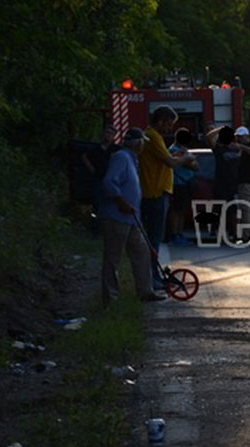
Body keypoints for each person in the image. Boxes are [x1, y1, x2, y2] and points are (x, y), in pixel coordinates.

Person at [98, 128, 166, 305]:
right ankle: (110, 299)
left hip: (131, 218)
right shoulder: (121, 157)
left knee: (142, 252)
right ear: (138, 144)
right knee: (113, 258)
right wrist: (120, 200)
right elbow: (109, 182)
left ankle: (146, 291)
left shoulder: (132, 159)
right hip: (116, 216)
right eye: (142, 142)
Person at [139, 106, 194, 288]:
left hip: (158, 193)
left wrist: (174, 154)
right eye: (169, 124)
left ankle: (153, 277)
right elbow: (169, 163)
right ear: (161, 121)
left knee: (154, 239)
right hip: (154, 194)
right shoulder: (153, 136)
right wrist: (185, 159)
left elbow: (165, 156)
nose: (170, 129)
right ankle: (152, 280)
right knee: (153, 240)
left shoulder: (155, 137)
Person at [206, 125, 241, 243]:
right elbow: (209, 137)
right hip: (220, 184)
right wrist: (222, 128)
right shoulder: (219, 149)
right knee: (217, 209)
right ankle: (214, 230)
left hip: (233, 185)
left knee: (233, 210)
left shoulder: (237, 149)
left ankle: (235, 234)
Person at [81, 125, 120, 231]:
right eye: (107, 133)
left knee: (112, 204)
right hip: (98, 179)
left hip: (112, 181)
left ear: (114, 136)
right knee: (97, 204)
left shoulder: (115, 149)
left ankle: (109, 228)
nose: (108, 136)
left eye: (111, 134)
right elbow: (84, 156)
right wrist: (91, 168)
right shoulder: (95, 149)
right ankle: (95, 227)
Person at [168, 127, 199, 246]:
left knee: (182, 211)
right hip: (178, 184)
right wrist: (188, 157)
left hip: (185, 185)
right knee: (176, 210)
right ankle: (175, 235)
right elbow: (191, 161)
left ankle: (180, 234)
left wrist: (189, 158)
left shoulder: (183, 150)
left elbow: (196, 166)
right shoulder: (174, 150)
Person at [233, 126, 250, 244]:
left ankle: (246, 236)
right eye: (237, 137)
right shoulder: (243, 150)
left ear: (246, 137)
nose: (238, 139)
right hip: (248, 184)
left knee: (246, 210)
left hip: (247, 184)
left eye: (240, 137)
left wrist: (241, 147)